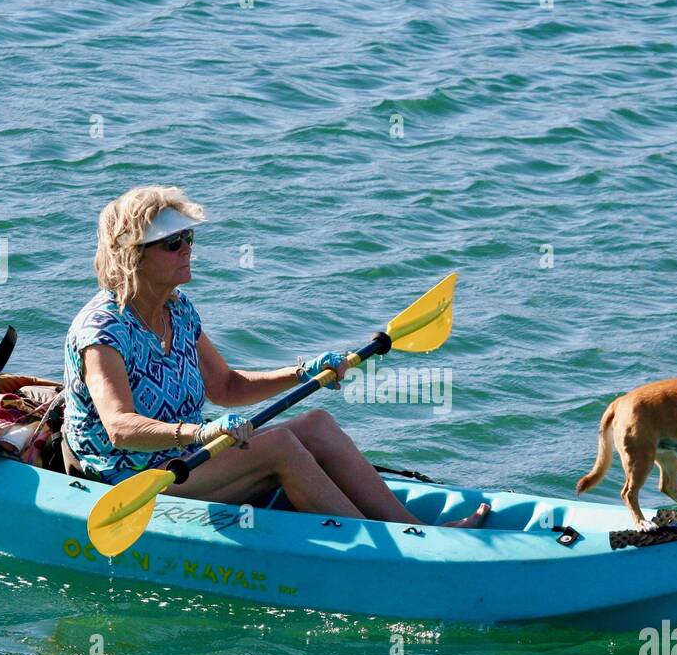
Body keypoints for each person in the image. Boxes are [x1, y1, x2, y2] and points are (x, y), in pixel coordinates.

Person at [62, 185, 489, 528]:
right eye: (173, 243)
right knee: (281, 445)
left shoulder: (178, 308)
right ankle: (385, 551)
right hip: (130, 478)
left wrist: (302, 372)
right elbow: (120, 428)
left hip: (183, 460)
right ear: (133, 255)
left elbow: (226, 387)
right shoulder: (103, 330)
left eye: (188, 237)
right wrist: (199, 433)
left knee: (318, 425)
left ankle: (413, 530)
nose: (188, 248)